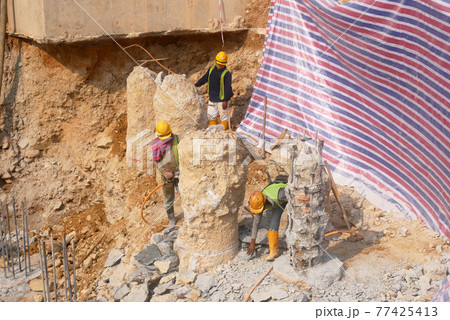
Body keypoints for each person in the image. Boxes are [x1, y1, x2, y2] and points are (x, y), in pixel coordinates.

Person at [246, 183, 288, 260]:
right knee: (273, 224)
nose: (260, 212)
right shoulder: (259, 201)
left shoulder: (281, 195)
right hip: (277, 202)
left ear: (264, 203)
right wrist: (253, 241)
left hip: (286, 196)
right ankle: (274, 252)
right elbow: (256, 222)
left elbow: (296, 198)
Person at [195, 51, 233, 130]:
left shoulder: (227, 74)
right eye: (218, 63)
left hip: (222, 100)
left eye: (221, 64)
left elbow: (228, 88)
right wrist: (195, 85)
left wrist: (225, 100)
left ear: (225, 63)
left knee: (224, 117)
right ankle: (215, 131)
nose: (219, 66)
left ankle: (223, 132)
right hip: (212, 98)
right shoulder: (211, 70)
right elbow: (204, 79)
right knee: (211, 116)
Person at [152, 121, 180, 226]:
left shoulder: (177, 139)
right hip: (166, 176)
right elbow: (156, 161)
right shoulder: (156, 144)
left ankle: (188, 217)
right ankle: (171, 219)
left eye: (167, 137)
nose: (165, 139)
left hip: (179, 173)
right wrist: (164, 172)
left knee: (183, 194)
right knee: (168, 198)